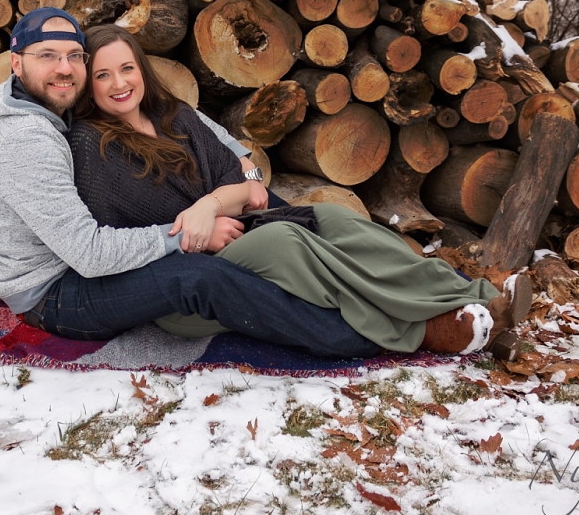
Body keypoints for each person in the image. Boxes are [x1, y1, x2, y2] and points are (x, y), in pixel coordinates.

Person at [66, 23, 532, 358]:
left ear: (142, 69)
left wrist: (210, 205)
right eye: (103, 75)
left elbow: (245, 186)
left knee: (334, 218)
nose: (119, 83)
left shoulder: (175, 117)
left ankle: (472, 294)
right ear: (89, 82)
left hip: (235, 240)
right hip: (186, 284)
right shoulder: (93, 144)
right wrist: (202, 223)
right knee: (284, 240)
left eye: (126, 68)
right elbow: (125, 233)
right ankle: (423, 326)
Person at [0, 7, 396, 358]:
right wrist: (192, 233)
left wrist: (244, 166)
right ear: (16, 62)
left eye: (73, 56)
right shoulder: (24, 139)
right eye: (47, 55)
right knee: (197, 278)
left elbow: (197, 125)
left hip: (80, 264)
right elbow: (90, 255)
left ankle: (387, 280)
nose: (64, 69)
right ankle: (354, 338)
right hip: (54, 295)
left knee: (281, 211)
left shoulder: (53, 108)